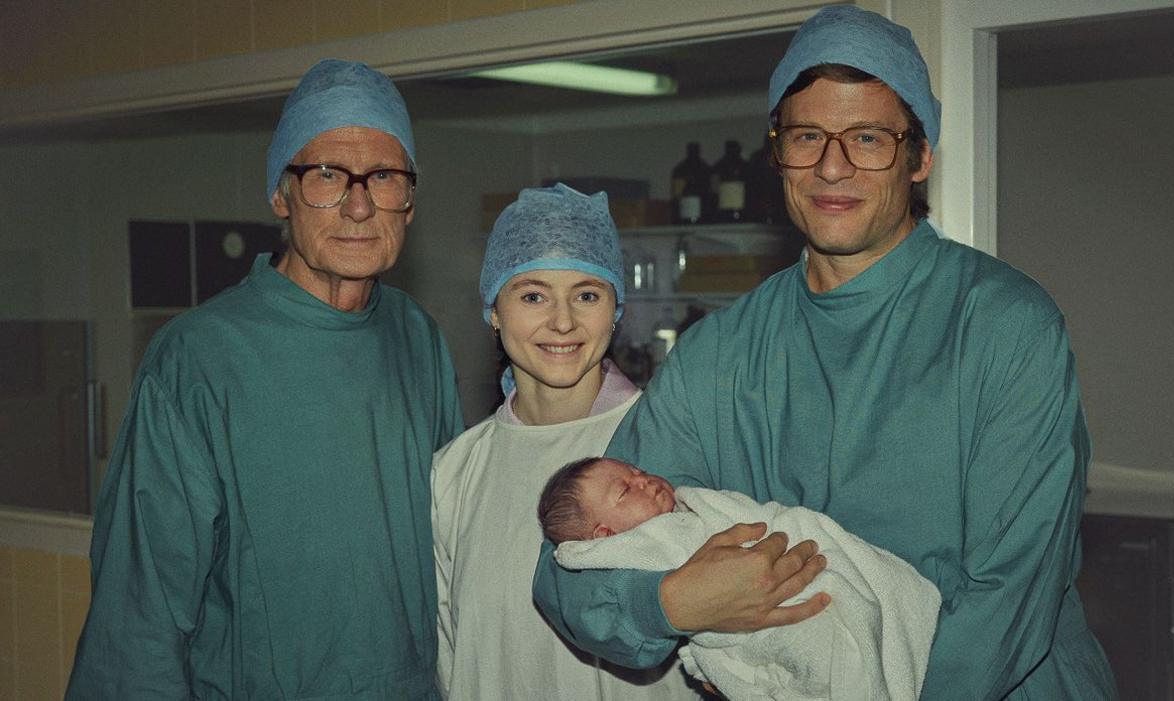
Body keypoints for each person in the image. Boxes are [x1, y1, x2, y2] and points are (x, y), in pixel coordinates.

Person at [533, 6, 1118, 700]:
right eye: (808, 135)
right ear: (776, 152)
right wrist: (673, 603)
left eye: (867, 137)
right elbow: (567, 568)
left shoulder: (1003, 326)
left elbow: (1009, 593)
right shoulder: (720, 354)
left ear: (920, 156)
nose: (832, 166)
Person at [66, 59, 464, 700]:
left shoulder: (417, 338)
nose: (358, 206)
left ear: (409, 202)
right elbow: (139, 612)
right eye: (327, 176)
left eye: (384, 177)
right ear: (281, 195)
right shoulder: (199, 358)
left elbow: (457, 546)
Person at [431, 184, 698, 700]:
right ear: (493, 310)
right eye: (532, 295)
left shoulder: (668, 443)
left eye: (587, 295)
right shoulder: (454, 474)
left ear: (615, 311)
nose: (562, 321)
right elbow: (450, 654)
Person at [540, 456, 941, 700]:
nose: (644, 480)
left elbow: (760, 519)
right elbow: (575, 563)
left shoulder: (696, 508)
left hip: (802, 573)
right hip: (755, 634)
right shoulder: (640, 549)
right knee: (823, 664)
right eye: (626, 491)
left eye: (638, 471)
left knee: (850, 617)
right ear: (605, 537)